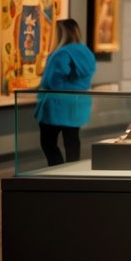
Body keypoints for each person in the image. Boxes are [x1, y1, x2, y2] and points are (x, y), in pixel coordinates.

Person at [34, 19, 97, 166]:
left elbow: (53, 81)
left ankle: (57, 171)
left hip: (57, 105)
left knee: (48, 143)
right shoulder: (86, 52)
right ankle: (71, 171)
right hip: (77, 104)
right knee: (72, 141)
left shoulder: (62, 53)